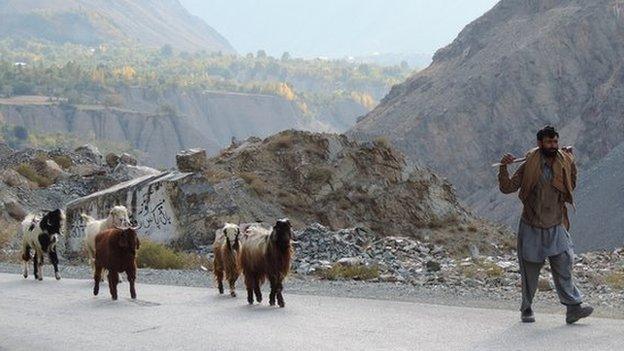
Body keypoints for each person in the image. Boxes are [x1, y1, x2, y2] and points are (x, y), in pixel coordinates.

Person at [498, 125, 593, 324]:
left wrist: (571, 162)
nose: (553, 145)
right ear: (540, 143)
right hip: (532, 224)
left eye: (555, 142)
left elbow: (571, 186)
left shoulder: (563, 161)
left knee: (564, 265)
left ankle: (573, 308)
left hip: (556, 224)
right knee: (530, 270)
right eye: (549, 142)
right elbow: (507, 188)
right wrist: (503, 167)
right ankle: (527, 309)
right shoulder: (529, 164)